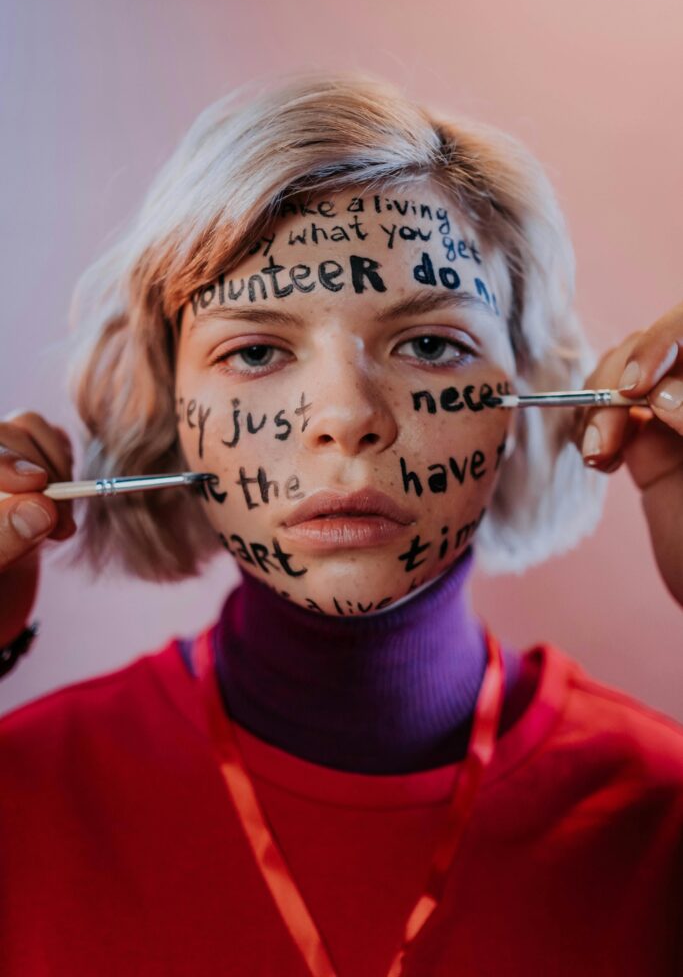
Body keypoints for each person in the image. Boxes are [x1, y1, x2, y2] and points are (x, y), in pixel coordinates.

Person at [1, 71, 682, 976]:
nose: (344, 418)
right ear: (167, 411)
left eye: (430, 344)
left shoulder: (660, 814)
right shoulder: (22, 800)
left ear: (527, 400)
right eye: (255, 350)